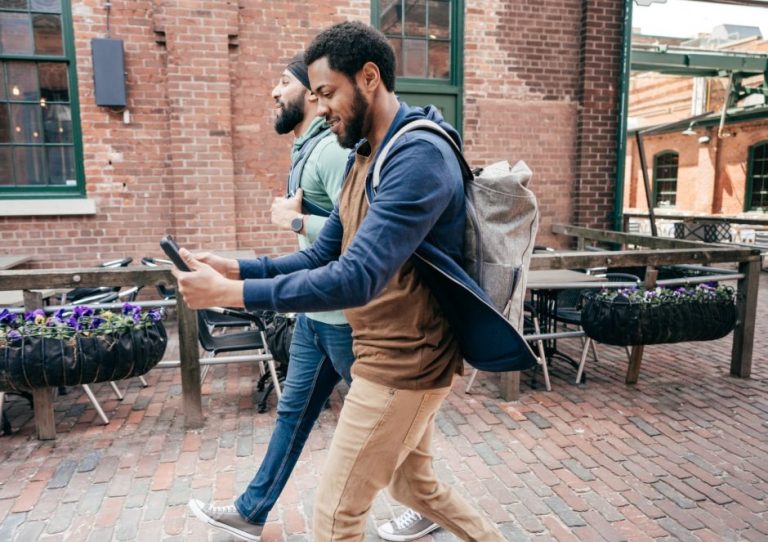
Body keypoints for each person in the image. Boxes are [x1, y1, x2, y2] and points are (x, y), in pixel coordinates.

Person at [174, 21, 506, 542]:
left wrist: (233, 296)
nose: (320, 107)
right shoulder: (364, 152)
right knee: (417, 491)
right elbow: (327, 250)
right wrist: (235, 267)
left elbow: (356, 277)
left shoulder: (418, 158)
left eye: (327, 93)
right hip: (384, 350)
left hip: (405, 363)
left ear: (369, 77)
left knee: (333, 520)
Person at [187, 55, 356, 541]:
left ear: (310, 93)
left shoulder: (329, 153)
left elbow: (360, 234)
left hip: (346, 320)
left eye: (283, 82)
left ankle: (426, 500)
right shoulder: (305, 151)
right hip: (314, 316)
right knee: (293, 414)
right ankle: (251, 511)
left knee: (383, 424)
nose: (273, 92)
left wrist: (296, 221)